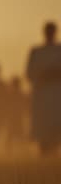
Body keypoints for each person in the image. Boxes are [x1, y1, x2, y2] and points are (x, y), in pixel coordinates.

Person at [26, 21, 61, 155]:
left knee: (56, 125)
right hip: (42, 94)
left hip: (58, 94)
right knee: (43, 127)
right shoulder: (36, 52)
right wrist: (43, 76)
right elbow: (29, 73)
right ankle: (45, 153)